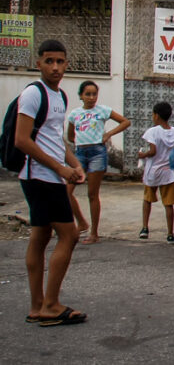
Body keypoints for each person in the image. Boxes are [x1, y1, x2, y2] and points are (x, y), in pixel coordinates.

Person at [15, 39, 85, 326]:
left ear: (67, 64)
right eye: (49, 61)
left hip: (51, 175)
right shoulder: (33, 94)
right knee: (69, 235)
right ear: (39, 63)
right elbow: (22, 140)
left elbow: (55, 138)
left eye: (60, 61)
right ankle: (52, 305)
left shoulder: (60, 96)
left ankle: (37, 306)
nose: (55, 67)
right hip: (40, 177)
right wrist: (59, 168)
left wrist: (74, 164)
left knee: (41, 236)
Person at [64, 80, 129, 244]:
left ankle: (94, 232)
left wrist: (108, 135)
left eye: (94, 94)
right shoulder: (74, 114)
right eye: (88, 94)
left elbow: (125, 122)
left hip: (97, 153)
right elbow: (70, 136)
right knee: (67, 190)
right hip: (80, 153)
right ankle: (81, 222)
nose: (92, 97)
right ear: (81, 96)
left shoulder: (103, 110)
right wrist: (80, 141)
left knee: (92, 194)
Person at [137, 101, 174, 243]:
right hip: (168, 171)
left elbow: (153, 151)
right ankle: (170, 233)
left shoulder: (152, 131)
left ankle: (144, 228)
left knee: (147, 200)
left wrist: (143, 155)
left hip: (153, 171)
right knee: (168, 204)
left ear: (156, 116)